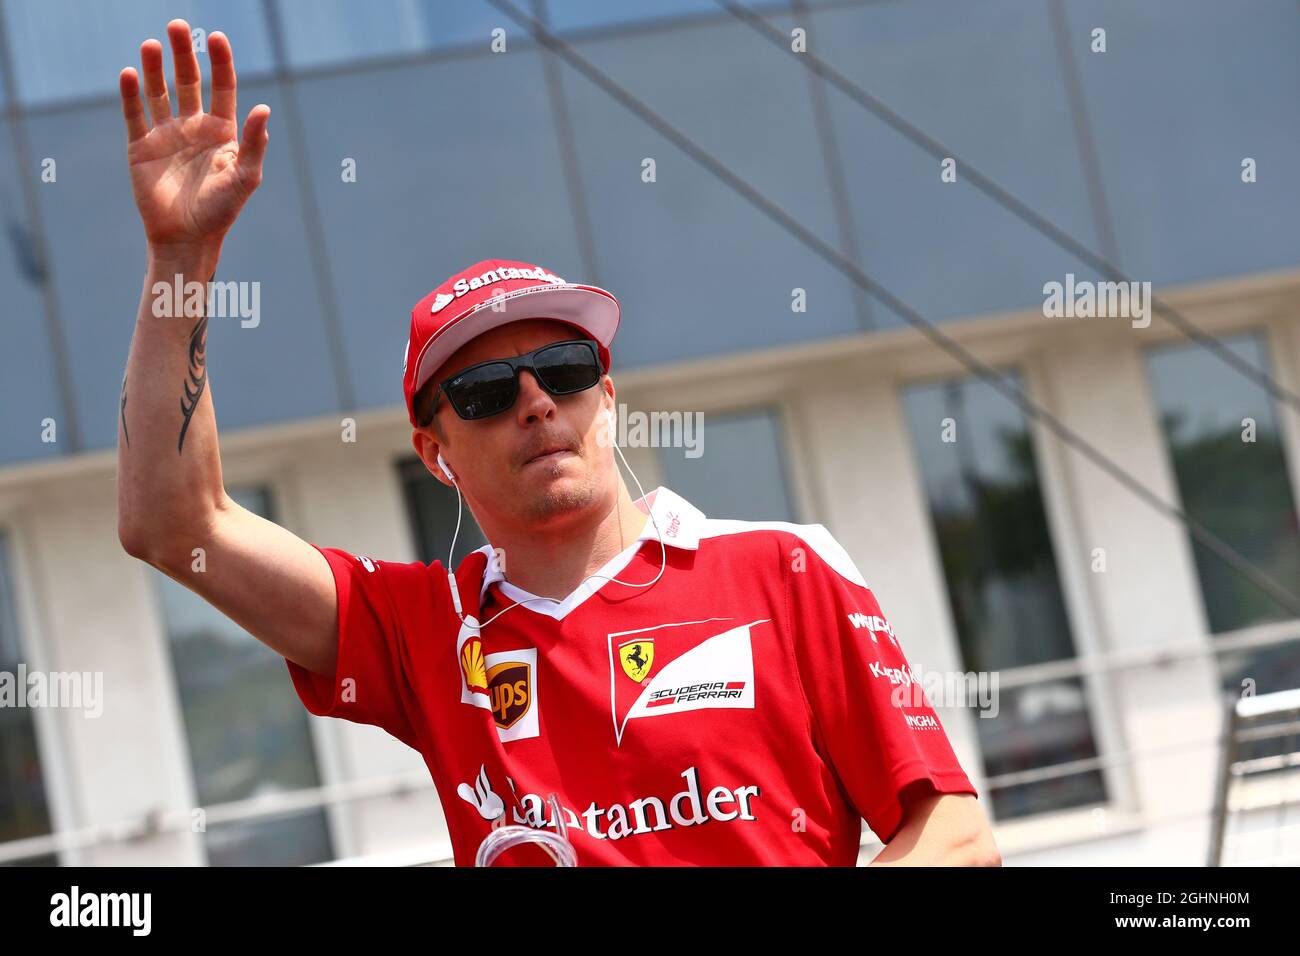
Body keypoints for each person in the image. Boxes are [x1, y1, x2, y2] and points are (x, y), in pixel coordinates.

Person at [115, 20, 999, 867]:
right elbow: (173, 521)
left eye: (565, 368)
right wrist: (181, 260)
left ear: (606, 398)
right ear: (436, 453)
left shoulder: (785, 570)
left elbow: (954, 833)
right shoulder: (426, 630)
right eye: (487, 391)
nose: (537, 402)